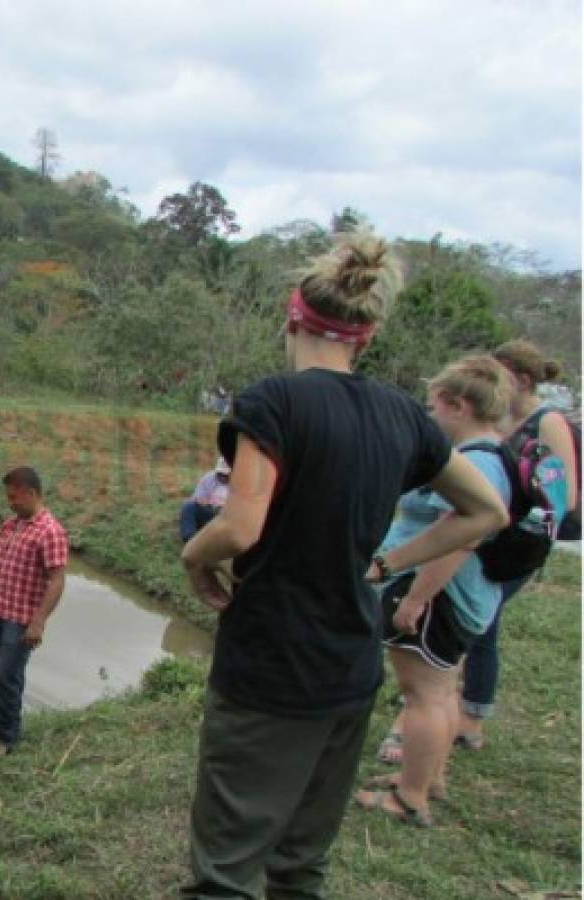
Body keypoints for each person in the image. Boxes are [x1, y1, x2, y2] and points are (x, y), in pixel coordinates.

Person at [178, 232, 508, 898]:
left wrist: (192, 557)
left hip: (269, 667)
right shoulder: (401, 415)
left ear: (291, 317)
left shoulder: (271, 402)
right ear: (367, 333)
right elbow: (485, 513)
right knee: (300, 864)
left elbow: (240, 525)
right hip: (349, 665)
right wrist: (387, 564)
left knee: (225, 870)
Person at [354, 356, 514, 827]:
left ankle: (410, 797)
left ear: (458, 406)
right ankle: (427, 776)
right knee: (442, 691)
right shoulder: (496, 456)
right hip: (464, 597)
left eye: (433, 407)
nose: (430, 417)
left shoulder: (473, 463)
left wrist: (418, 596)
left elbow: (462, 536)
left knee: (420, 693)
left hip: (439, 597)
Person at [455, 339, 579, 750]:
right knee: (466, 617)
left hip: (516, 543)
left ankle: (471, 717)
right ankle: (444, 697)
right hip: (482, 536)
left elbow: (566, 497)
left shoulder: (548, 423)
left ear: (521, 380)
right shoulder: (496, 418)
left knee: (482, 621)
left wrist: (509, 512)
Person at [0, 467, 68, 755]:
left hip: (22, 620)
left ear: (31, 493)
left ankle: (4, 739)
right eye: (8, 497)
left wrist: (39, 622)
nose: (10, 502)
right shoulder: (11, 525)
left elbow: (57, 580)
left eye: (14, 497)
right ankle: (5, 730)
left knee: (6, 677)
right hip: (2, 612)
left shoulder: (50, 531)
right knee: (5, 674)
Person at [179, 458, 231, 544]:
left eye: (226, 474)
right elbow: (197, 499)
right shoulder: (208, 478)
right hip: (211, 513)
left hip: (229, 519)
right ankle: (190, 539)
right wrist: (208, 504)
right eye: (220, 473)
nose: (222, 476)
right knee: (188, 505)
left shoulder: (240, 483)